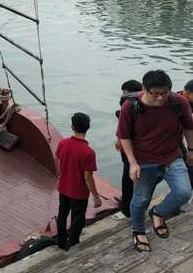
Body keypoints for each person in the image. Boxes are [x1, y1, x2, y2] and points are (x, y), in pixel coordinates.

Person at [117, 70, 193, 253]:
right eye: (155, 93)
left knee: (184, 192)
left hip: (172, 156)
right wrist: (133, 163)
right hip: (144, 160)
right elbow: (124, 136)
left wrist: (191, 150)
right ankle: (138, 229)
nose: (160, 98)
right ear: (144, 89)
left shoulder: (178, 102)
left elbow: (188, 127)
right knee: (140, 199)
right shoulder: (131, 107)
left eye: (165, 92)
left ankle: (158, 212)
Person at [55, 112, 102, 250]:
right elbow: (88, 177)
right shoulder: (89, 152)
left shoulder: (63, 143)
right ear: (88, 127)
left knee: (62, 214)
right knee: (77, 220)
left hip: (63, 188)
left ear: (72, 126)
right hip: (79, 193)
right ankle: (72, 245)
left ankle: (61, 241)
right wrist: (96, 196)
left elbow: (59, 164)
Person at [113, 79, 143, 220]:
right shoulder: (142, 106)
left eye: (125, 93)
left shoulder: (128, 106)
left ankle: (127, 211)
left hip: (129, 151)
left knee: (128, 179)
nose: (123, 96)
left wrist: (119, 140)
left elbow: (123, 128)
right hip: (141, 150)